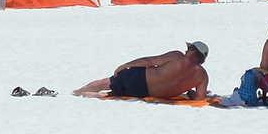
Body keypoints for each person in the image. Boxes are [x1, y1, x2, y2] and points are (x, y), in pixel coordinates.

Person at [72, 41, 209, 100]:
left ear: (193, 52)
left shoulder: (177, 56)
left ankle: (77, 92)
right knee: (112, 94)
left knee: (106, 82)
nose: (186, 50)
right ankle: (91, 95)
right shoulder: (202, 76)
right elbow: (200, 98)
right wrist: (190, 92)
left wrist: (125, 65)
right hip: (146, 93)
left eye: (189, 48)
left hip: (139, 78)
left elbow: (149, 61)